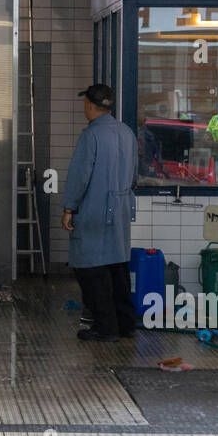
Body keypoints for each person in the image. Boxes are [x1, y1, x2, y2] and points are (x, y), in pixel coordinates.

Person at [61, 83, 139, 341]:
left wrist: (69, 207)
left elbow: (79, 176)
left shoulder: (91, 136)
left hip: (94, 211)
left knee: (91, 271)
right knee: (117, 268)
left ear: (90, 105)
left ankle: (106, 328)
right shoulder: (127, 133)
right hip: (120, 210)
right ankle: (126, 325)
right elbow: (134, 175)